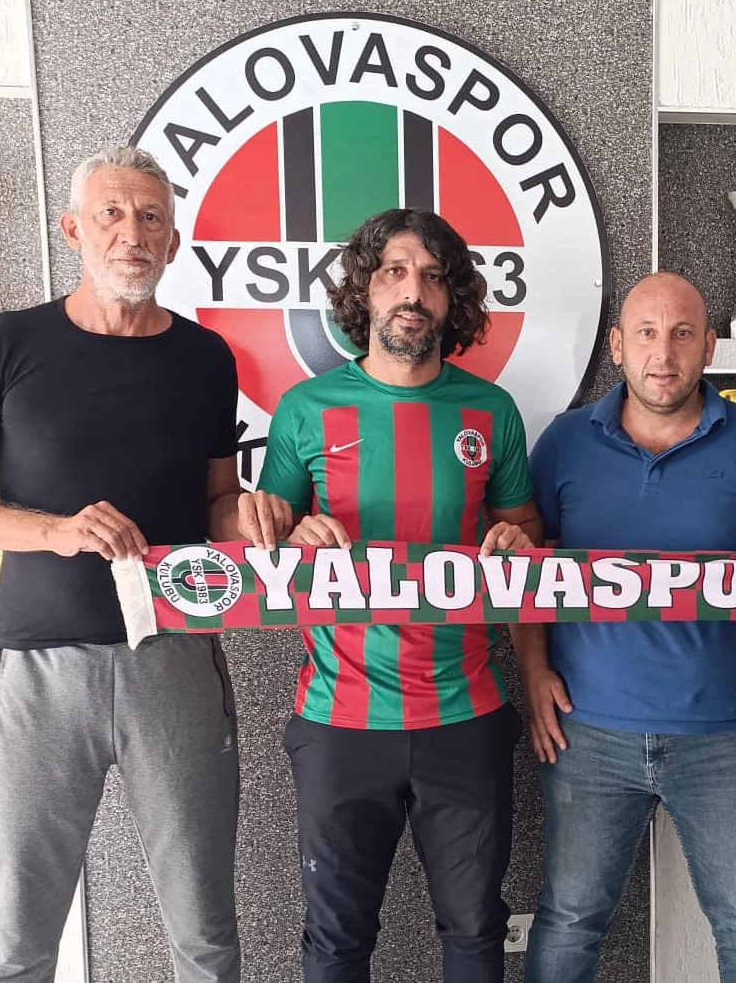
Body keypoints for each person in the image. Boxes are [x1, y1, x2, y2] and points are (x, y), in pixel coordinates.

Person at [0, 145, 290, 983]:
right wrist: (55, 531)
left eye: (151, 217)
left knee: (205, 932)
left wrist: (254, 516)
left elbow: (216, 504)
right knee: (18, 938)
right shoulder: (8, 343)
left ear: (173, 241)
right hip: (40, 671)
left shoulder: (206, 358)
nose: (131, 234)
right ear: (73, 229)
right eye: (111, 214)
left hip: (174, 659)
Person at [241, 208, 540, 983]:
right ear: (363, 291)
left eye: (434, 277)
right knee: (335, 941)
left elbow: (524, 537)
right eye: (394, 272)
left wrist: (515, 544)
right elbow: (265, 546)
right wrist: (292, 536)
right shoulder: (306, 409)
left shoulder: (491, 411)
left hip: (465, 714)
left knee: (475, 931)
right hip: (338, 718)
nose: (414, 291)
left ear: (453, 298)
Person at [521, 272, 736, 983]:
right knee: (568, 919)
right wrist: (533, 671)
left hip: (733, 737)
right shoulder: (565, 443)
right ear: (616, 346)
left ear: (709, 347)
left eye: (682, 334)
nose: (663, 354)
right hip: (588, 733)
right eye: (646, 334)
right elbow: (529, 573)